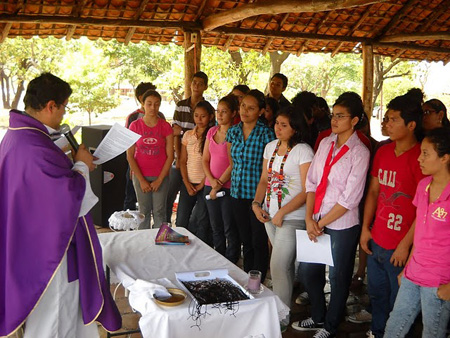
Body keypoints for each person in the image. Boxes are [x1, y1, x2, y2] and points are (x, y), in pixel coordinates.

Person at [0, 73, 121, 337]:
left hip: (30, 239)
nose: (64, 112)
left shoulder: (20, 135)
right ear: (50, 105)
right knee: (56, 318)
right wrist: (81, 164)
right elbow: (67, 199)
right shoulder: (34, 146)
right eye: (64, 106)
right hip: (51, 252)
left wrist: (67, 158)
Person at [292, 92, 370, 338]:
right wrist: (309, 218)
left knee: (338, 276)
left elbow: (349, 199)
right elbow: (312, 182)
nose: (334, 120)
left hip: (342, 224)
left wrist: (319, 223)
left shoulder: (360, 151)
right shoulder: (326, 142)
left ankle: (331, 325)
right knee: (308, 270)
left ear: (355, 120)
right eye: (333, 115)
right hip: (317, 218)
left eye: (340, 116)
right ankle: (317, 316)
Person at [360, 93, 425, 338]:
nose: (385, 123)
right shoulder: (383, 151)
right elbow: (374, 192)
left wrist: (406, 246)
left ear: (411, 125)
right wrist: (366, 228)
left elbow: (424, 211)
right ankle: (377, 332)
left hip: (402, 247)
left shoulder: (422, 158)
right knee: (376, 295)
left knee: (401, 305)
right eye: (386, 118)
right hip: (377, 239)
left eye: (393, 119)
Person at [384, 127, 450, 338]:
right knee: (394, 327)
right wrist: (408, 267)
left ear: (445, 158)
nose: (419, 159)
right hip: (414, 273)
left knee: (432, 333)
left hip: (440, 281)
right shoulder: (423, 186)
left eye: (425, 153)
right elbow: (420, 231)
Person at [252, 106, 313, 330]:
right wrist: (256, 204)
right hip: (270, 214)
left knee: (277, 265)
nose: (278, 127)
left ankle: (280, 317)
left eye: (284, 124)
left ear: (295, 128)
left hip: (292, 216)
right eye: (277, 123)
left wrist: (283, 212)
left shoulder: (303, 151)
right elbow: (263, 181)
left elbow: (308, 190)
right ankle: (282, 312)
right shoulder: (270, 147)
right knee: (283, 267)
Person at [227, 89, 276, 282]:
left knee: (258, 240)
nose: (245, 111)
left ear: (261, 111)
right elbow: (232, 163)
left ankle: (259, 279)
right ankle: (248, 277)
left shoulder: (266, 134)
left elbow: (270, 168)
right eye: (242, 106)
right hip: (237, 192)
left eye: (251, 108)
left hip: (258, 195)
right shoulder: (233, 131)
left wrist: (261, 197)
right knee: (244, 239)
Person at [166, 71, 210, 223]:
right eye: (194, 82)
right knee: (171, 194)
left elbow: (208, 133)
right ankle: (165, 225)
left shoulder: (208, 108)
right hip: (183, 158)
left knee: (200, 212)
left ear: (205, 86)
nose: (196, 86)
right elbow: (175, 132)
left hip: (200, 166)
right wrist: (178, 158)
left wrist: (182, 131)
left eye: (200, 83)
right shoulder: (181, 105)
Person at [127, 89, 174, 229]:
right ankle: (144, 244)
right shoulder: (135, 126)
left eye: (156, 104)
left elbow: (170, 155)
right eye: (149, 104)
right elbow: (130, 155)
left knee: (160, 212)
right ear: (143, 104)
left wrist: (160, 179)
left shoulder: (165, 126)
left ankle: (161, 242)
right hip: (140, 175)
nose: (153, 108)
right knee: (143, 213)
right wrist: (141, 180)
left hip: (161, 176)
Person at [202, 95, 240, 263]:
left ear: (233, 113)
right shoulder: (211, 131)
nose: (220, 115)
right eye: (218, 111)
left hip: (228, 187)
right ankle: (219, 257)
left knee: (228, 226)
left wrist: (218, 184)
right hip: (210, 185)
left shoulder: (236, 133)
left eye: (224, 112)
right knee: (215, 225)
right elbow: (205, 159)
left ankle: (232, 259)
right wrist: (211, 180)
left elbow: (234, 163)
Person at [176, 100, 215, 245]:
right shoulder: (187, 135)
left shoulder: (212, 135)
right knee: (181, 219)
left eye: (203, 116)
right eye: (196, 115)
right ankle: (179, 246)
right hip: (188, 183)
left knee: (199, 220)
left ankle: (197, 249)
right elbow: (182, 161)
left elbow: (211, 163)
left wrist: (200, 185)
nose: (199, 119)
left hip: (204, 185)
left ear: (211, 117)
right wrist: (186, 183)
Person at [124, 82, 164, 211]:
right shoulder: (133, 117)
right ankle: (129, 228)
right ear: (142, 98)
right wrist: (132, 169)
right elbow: (129, 145)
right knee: (132, 198)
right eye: (149, 99)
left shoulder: (161, 117)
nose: (153, 106)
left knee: (158, 207)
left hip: (157, 169)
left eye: (156, 102)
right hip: (136, 167)